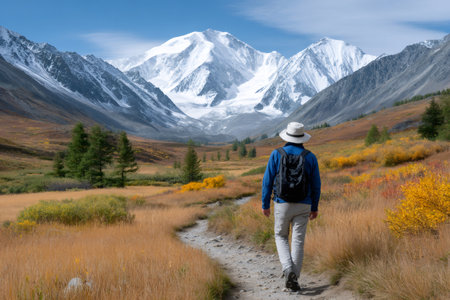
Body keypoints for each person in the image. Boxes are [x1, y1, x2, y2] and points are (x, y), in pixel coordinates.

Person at [261, 122, 321, 292]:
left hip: (282, 203)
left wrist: (265, 204)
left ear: (287, 136)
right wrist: (314, 207)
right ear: (302, 137)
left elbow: (267, 181)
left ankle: (288, 270)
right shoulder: (310, 157)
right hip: (304, 204)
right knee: (298, 241)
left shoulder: (276, 154)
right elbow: (316, 185)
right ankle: (294, 277)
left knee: (280, 236)